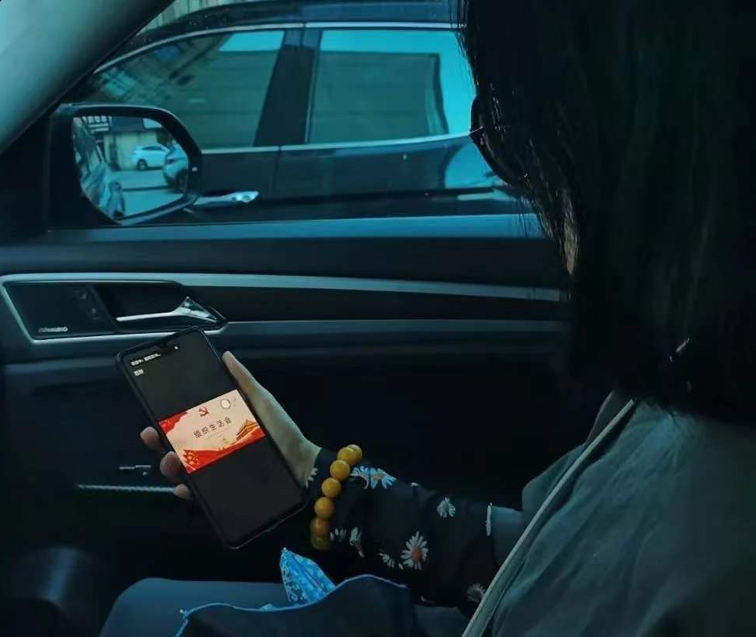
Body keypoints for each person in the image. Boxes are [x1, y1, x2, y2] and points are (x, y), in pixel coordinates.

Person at [101, 0, 756, 635]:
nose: (531, 194)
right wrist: (316, 476)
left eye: (519, 138)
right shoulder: (688, 379)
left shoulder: (723, 550)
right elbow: (532, 558)